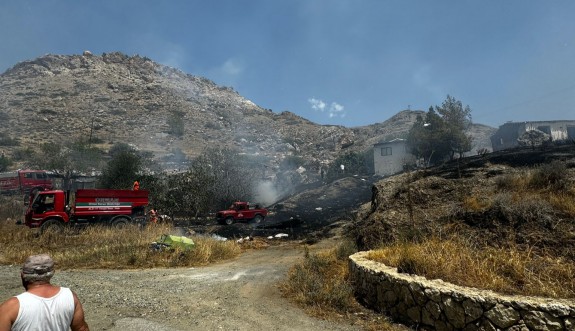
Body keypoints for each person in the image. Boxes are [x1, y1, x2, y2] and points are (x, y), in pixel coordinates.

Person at [0, 254, 90, 331]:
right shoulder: (70, 296)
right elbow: (81, 329)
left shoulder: (11, 306)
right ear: (52, 273)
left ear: (22, 275)